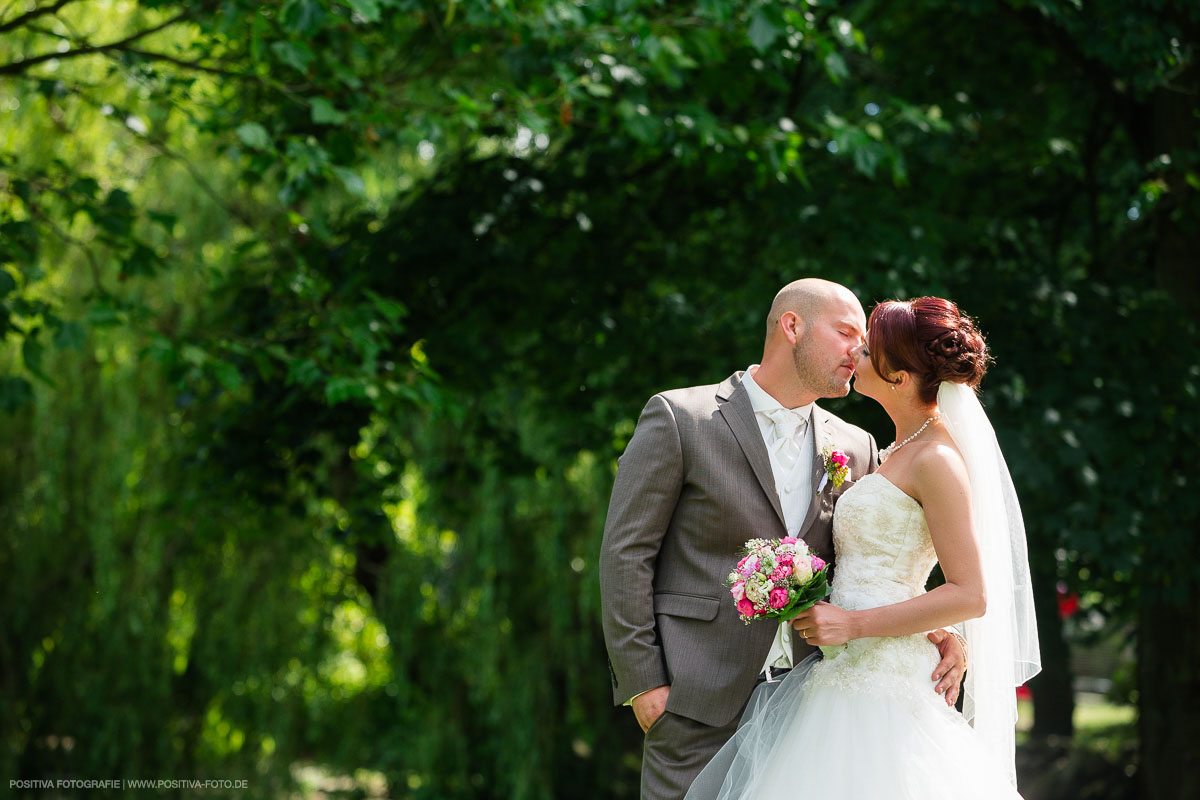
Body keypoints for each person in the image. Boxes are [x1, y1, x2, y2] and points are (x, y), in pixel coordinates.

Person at [599, 280, 968, 800]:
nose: (859, 350)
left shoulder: (857, 445)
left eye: (863, 339)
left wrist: (941, 627)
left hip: (814, 707)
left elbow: (871, 558)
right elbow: (625, 554)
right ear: (792, 326)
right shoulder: (682, 419)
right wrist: (644, 685)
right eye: (844, 333)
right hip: (695, 703)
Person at [684, 296, 1042, 800]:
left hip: (885, 683)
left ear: (898, 376)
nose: (856, 354)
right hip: (840, 671)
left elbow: (971, 594)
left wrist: (853, 624)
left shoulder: (937, 459)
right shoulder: (894, 450)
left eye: (870, 350)